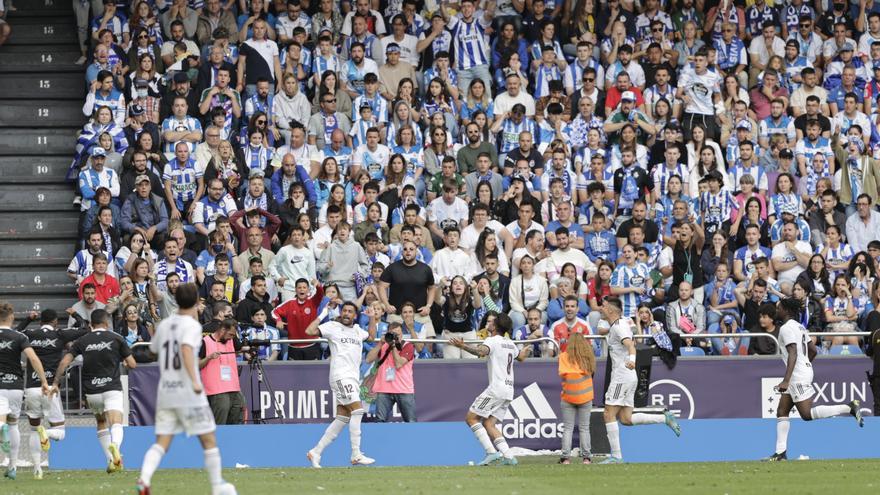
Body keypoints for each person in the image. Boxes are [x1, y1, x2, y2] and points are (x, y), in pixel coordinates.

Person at [136, 283, 235, 495]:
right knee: (209, 439)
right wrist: (195, 381)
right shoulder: (192, 326)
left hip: (166, 390)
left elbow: (153, 351)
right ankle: (218, 486)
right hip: (187, 390)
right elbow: (186, 350)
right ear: (196, 301)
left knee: (162, 441)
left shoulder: (164, 325)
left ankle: (144, 479)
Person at [764, 298, 864, 461]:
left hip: (796, 376)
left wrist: (787, 380)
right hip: (802, 371)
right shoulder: (799, 326)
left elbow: (793, 353)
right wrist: (805, 366)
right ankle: (780, 453)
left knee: (806, 414)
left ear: (786, 311)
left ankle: (849, 407)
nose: (777, 311)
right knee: (782, 410)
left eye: (779, 308)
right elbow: (813, 350)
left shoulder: (786, 328)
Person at [52, 309, 136, 474]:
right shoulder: (116, 338)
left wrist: (55, 382)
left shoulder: (82, 340)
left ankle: (111, 460)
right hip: (112, 388)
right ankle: (116, 447)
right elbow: (132, 364)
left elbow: (64, 362)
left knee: (101, 423)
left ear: (91, 325)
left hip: (92, 392)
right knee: (116, 422)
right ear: (107, 323)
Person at [598, 297, 680, 464]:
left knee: (608, 414)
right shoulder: (618, 325)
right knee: (626, 419)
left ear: (612, 310)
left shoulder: (620, 326)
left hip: (622, 375)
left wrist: (632, 361)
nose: (601, 308)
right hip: (628, 376)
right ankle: (664, 418)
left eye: (604, 306)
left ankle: (616, 456)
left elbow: (630, 346)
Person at [448, 312, 530, 466]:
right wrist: (526, 350)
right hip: (508, 390)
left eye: (492, 321)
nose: (489, 323)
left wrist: (462, 346)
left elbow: (480, 352)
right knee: (489, 424)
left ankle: (491, 452)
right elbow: (521, 357)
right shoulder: (510, 343)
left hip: (496, 389)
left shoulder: (492, 341)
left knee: (471, 418)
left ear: (496, 326)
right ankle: (509, 456)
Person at [305, 302, 378, 468]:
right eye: (344, 310)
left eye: (350, 311)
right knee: (358, 410)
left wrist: (372, 317)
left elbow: (372, 337)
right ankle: (356, 454)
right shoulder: (332, 326)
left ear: (355, 315)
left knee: (342, 418)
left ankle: (316, 451)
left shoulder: (358, 330)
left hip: (352, 378)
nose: (346, 313)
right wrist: (323, 312)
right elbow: (309, 331)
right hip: (340, 376)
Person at [18, 309, 88, 478]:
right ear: (55, 321)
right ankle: (46, 432)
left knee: (34, 430)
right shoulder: (60, 334)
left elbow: (14, 333)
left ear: (40, 321)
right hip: (50, 388)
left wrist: (28, 318)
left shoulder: (30, 334)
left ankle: (37, 468)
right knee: (60, 432)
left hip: (32, 387)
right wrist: (75, 314)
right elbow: (84, 328)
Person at [0, 302, 52, 481]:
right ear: (12, 317)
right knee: (13, 423)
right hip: (15, 385)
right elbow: (33, 358)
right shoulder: (19, 336)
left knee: (2, 421)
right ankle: (12, 466)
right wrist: (44, 381)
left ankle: (1, 428)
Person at [365, 321, 417, 422]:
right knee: (380, 421)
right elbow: (368, 359)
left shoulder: (408, 346)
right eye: (392, 334)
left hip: (403, 389)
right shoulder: (384, 346)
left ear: (402, 334)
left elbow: (398, 364)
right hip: (384, 389)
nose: (395, 337)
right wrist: (380, 343)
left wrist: (393, 346)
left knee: (411, 421)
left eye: (397, 334)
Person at [558, 332, 596, 465]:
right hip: (585, 397)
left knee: (568, 428)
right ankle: (586, 458)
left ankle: (565, 458)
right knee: (584, 428)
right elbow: (592, 374)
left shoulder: (563, 357)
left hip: (568, 396)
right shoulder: (588, 357)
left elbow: (562, 375)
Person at [198, 319, 244, 425]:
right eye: (230, 334)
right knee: (220, 419)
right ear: (223, 329)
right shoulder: (204, 341)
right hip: (216, 389)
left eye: (234, 335)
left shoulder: (232, 340)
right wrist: (209, 357)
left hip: (234, 386)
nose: (232, 337)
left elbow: (241, 349)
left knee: (238, 413)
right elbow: (197, 365)